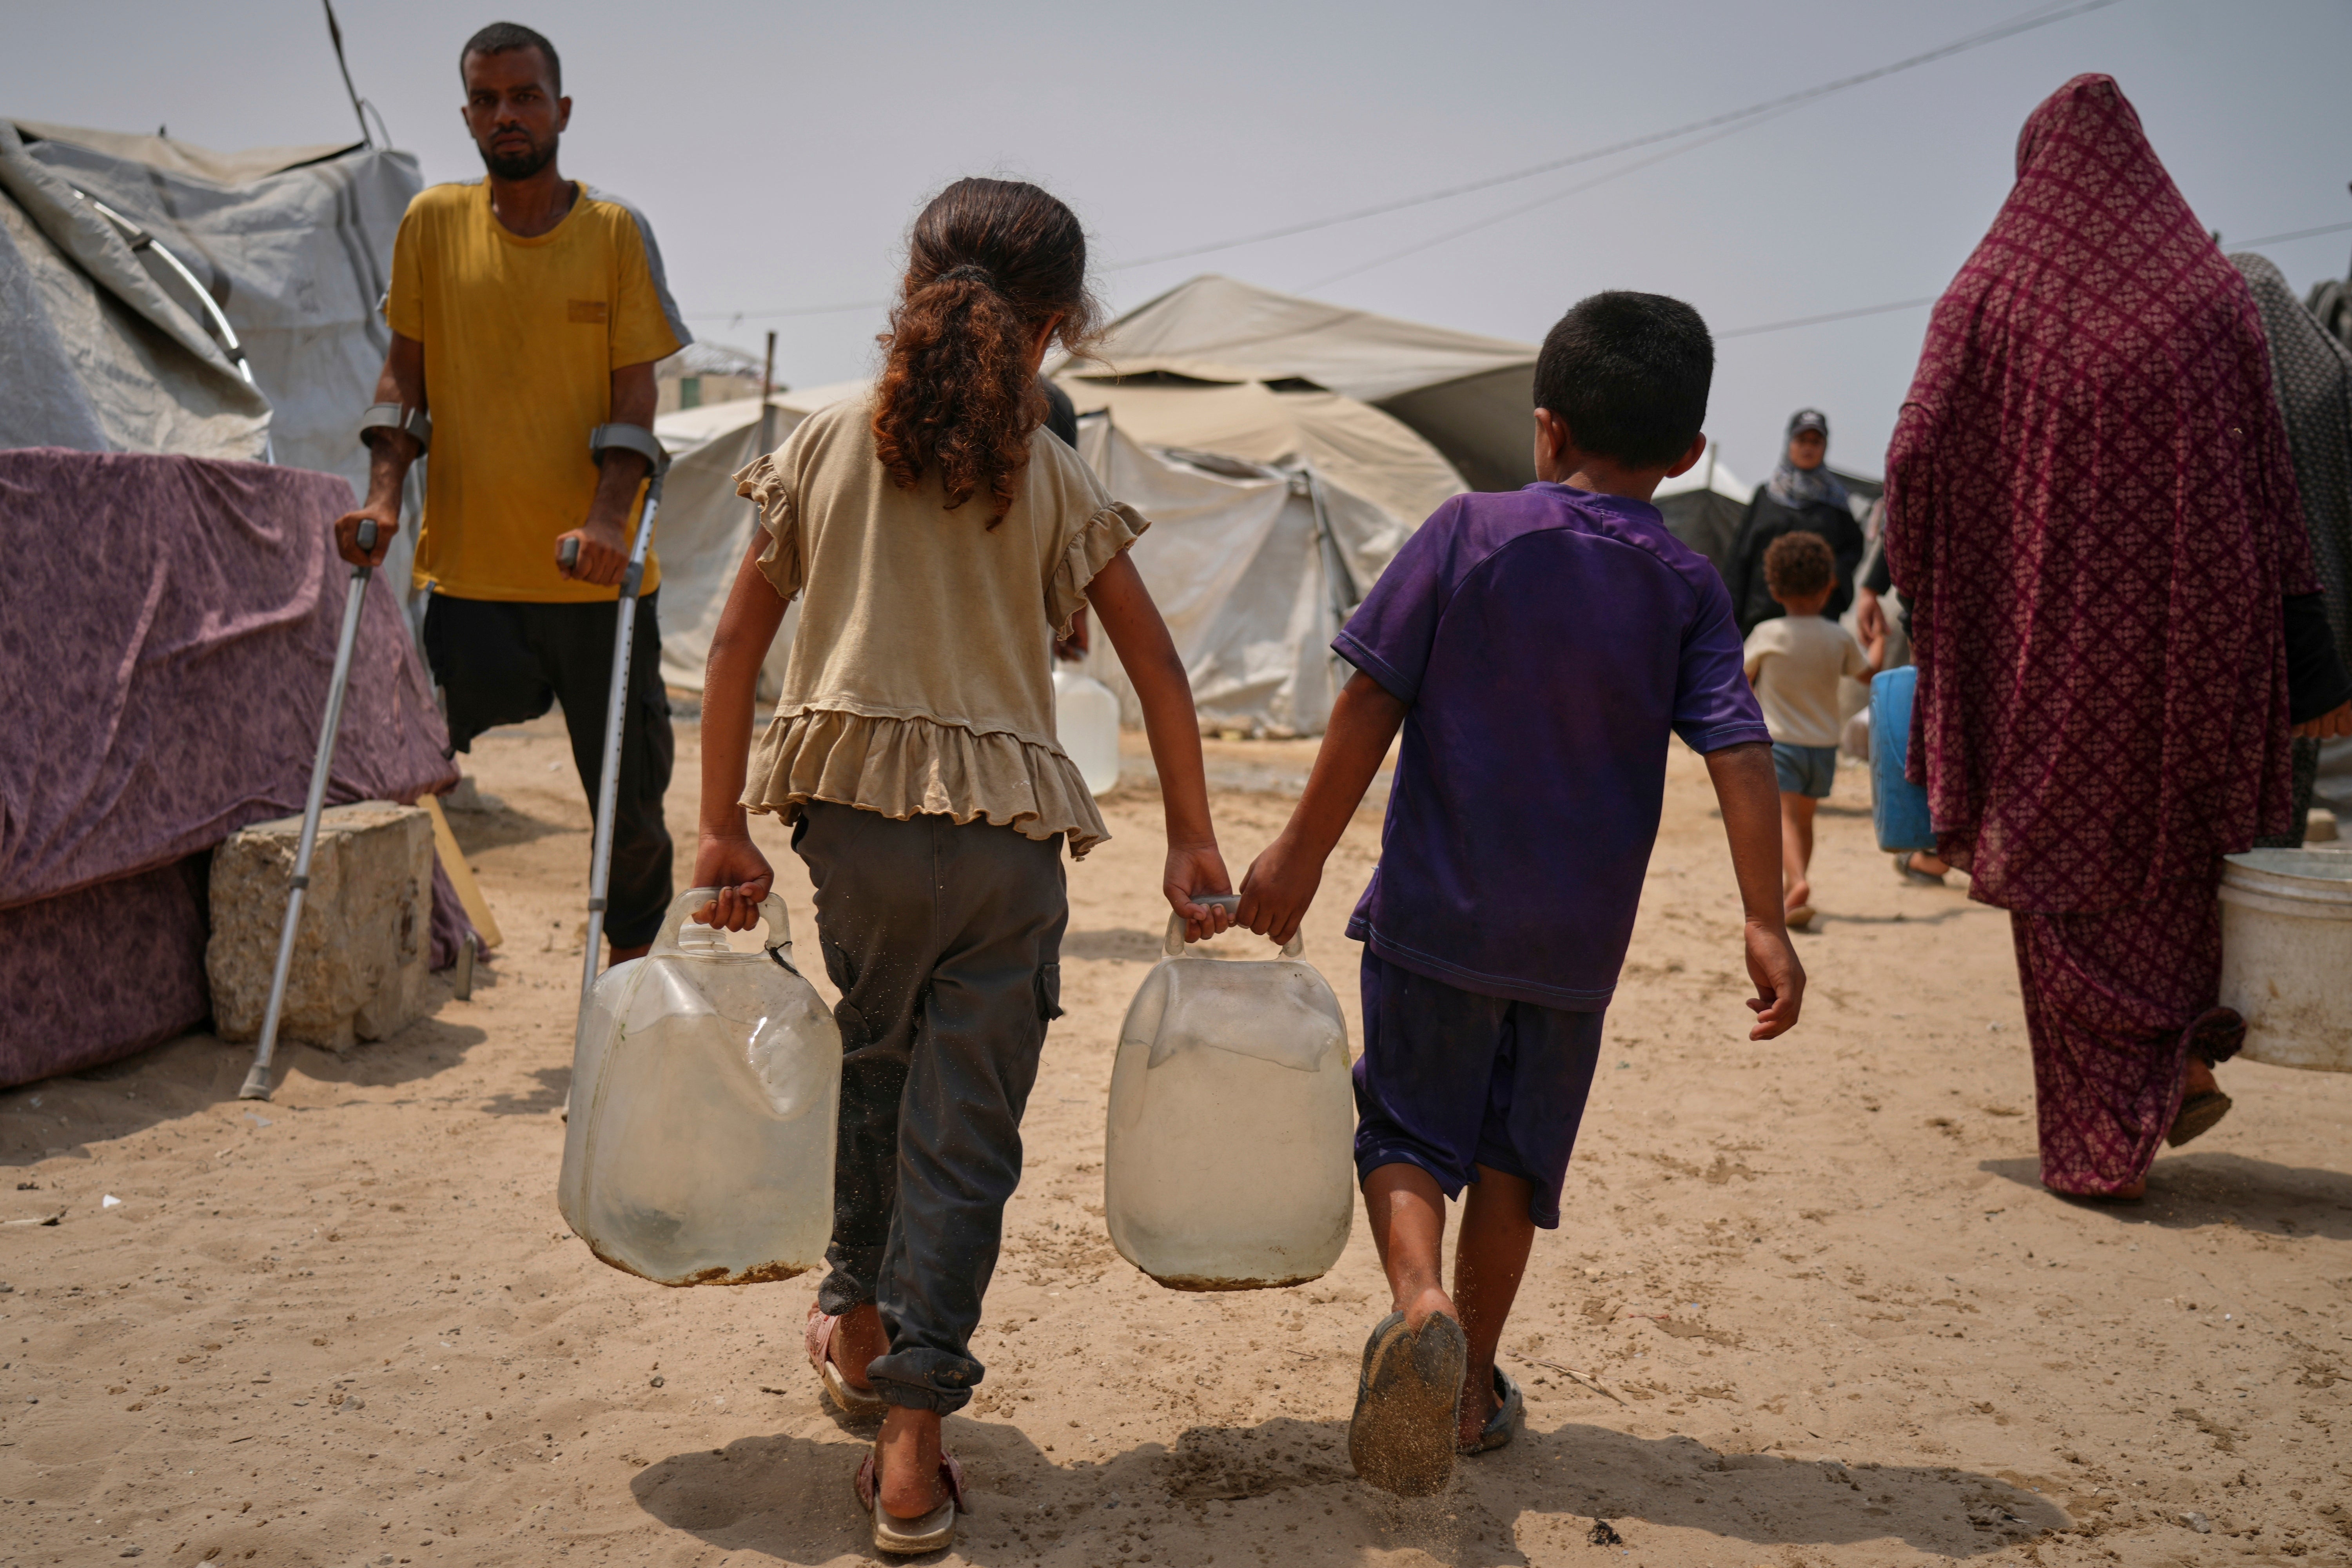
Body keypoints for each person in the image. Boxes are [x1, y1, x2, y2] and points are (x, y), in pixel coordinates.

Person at [689, 178, 1232, 1555]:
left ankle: (857, 1321)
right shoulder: (1051, 472)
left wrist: (720, 827)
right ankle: (916, 1447)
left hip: (860, 835)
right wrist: (1191, 837)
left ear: (912, 289)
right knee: (968, 1133)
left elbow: (737, 651)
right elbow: (1157, 669)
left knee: (875, 1069)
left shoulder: (821, 442)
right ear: (1055, 332)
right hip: (1007, 852)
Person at [1235, 291, 1804, 1496]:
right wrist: (1760, 913)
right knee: (1511, 1164)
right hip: (1572, 947)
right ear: (1688, 453)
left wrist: (1298, 854)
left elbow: (1367, 700)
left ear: (1544, 430)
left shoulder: (1464, 529)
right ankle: (1471, 1384)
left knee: (1399, 1128)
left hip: (1435, 914)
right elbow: (1739, 754)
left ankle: (1418, 1301)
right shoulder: (1688, 584)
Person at [1883, 74, 2352, 1202]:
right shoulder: (2214, 300)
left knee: (2060, 876)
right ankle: (2178, 1059)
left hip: (2043, 660)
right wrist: (2309, 651)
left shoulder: (1987, 295)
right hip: (2196, 654)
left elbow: (1909, 459)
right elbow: (2281, 496)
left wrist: (1946, 591)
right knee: (2178, 866)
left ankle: (2106, 1135)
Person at [336, 22, 689, 964]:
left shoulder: (613, 233)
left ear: (561, 110)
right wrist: (379, 499)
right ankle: (404, 939)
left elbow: (634, 397)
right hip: (471, 577)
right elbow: (401, 381)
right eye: (487, 100)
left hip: (595, 582)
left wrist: (609, 517)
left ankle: (630, 982)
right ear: (467, 116)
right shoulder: (431, 224)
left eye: (525, 96)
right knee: (401, 757)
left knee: (629, 802)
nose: (507, 115)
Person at [2230, 251, 2352, 844]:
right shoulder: (2334, 375)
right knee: (2287, 807)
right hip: (2318, 645)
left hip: (2231, 643)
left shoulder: (2218, 381)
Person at [1744, 532, 1884, 929]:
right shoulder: (1838, 636)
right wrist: (1878, 641)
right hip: (1823, 747)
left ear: (1774, 587)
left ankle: (1798, 883)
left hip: (1781, 742)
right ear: (1830, 586)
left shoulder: (1768, 634)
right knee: (1804, 821)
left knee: (1783, 821)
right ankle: (1794, 896)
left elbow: (1740, 678)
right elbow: (1867, 674)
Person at [1723, 408, 1866, 637]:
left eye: (1816, 441)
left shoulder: (1837, 504)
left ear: (1825, 446)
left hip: (1816, 625)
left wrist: (1834, 577)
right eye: (1801, 440)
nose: (1808, 447)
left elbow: (1854, 550)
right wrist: (1728, 621)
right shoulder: (1766, 496)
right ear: (1789, 443)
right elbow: (1740, 559)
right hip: (1759, 621)